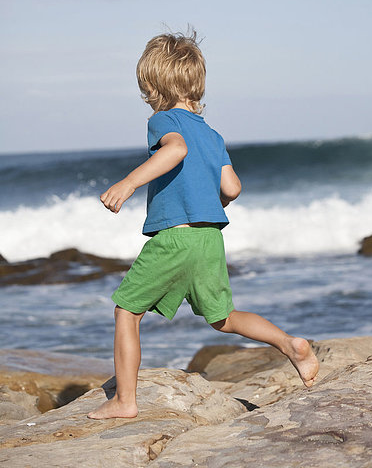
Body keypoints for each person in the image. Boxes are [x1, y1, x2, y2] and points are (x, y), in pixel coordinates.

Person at [88, 29, 319, 420]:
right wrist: (210, 200)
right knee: (223, 317)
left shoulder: (162, 120)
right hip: (210, 238)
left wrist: (127, 183)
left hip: (175, 239)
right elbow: (233, 186)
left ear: (152, 84)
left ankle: (125, 401)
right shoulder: (212, 134)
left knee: (126, 312)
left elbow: (175, 150)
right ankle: (291, 344)